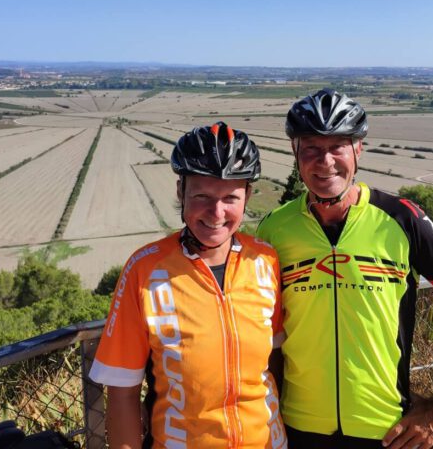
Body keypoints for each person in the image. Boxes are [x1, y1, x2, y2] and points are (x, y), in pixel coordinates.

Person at [257, 88, 433, 449]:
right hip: (297, 425)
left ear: (358, 150)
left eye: (337, 146)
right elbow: (266, 327)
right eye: (312, 149)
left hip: (387, 429)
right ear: (295, 153)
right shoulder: (274, 228)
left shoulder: (403, 218)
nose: (325, 161)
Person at [89, 122, 287, 449]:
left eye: (231, 198)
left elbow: (274, 360)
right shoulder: (145, 269)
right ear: (180, 191)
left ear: (248, 196)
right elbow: (122, 393)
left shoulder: (265, 261)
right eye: (202, 196)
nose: (217, 212)